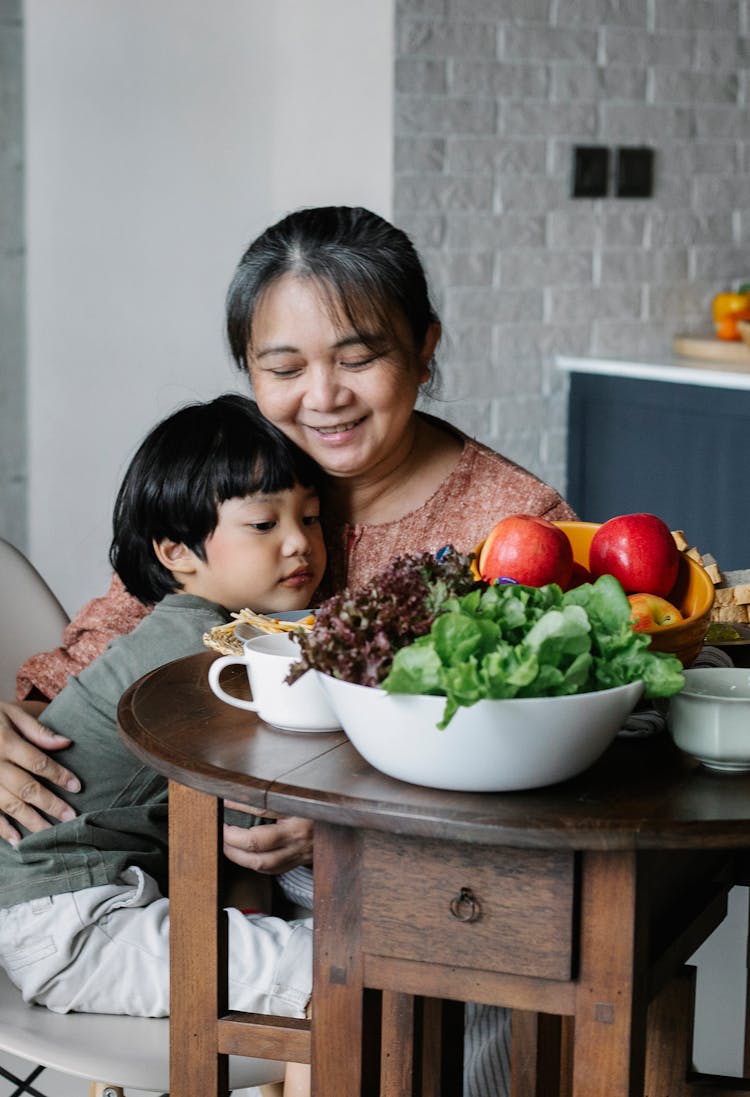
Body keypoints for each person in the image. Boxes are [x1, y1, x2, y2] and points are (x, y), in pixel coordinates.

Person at [0, 206, 575, 1096]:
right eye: (284, 367)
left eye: (358, 358)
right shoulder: (246, 481)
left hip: (403, 868)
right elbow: (119, 633)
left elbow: (531, 760)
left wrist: (343, 820)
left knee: (475, 954)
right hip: (155, 878)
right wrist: (18, 726)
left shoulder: (511, 527)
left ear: (425, 350)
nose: (323, 396)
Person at [0, 392, 326, 1095]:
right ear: (177, 552)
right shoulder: (203, 656)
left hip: (91, 899)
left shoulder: (204, 633)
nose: (299, 540)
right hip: (71, 923)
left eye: (311, 516)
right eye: (265, 523)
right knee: (336, 975)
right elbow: (249, 827)